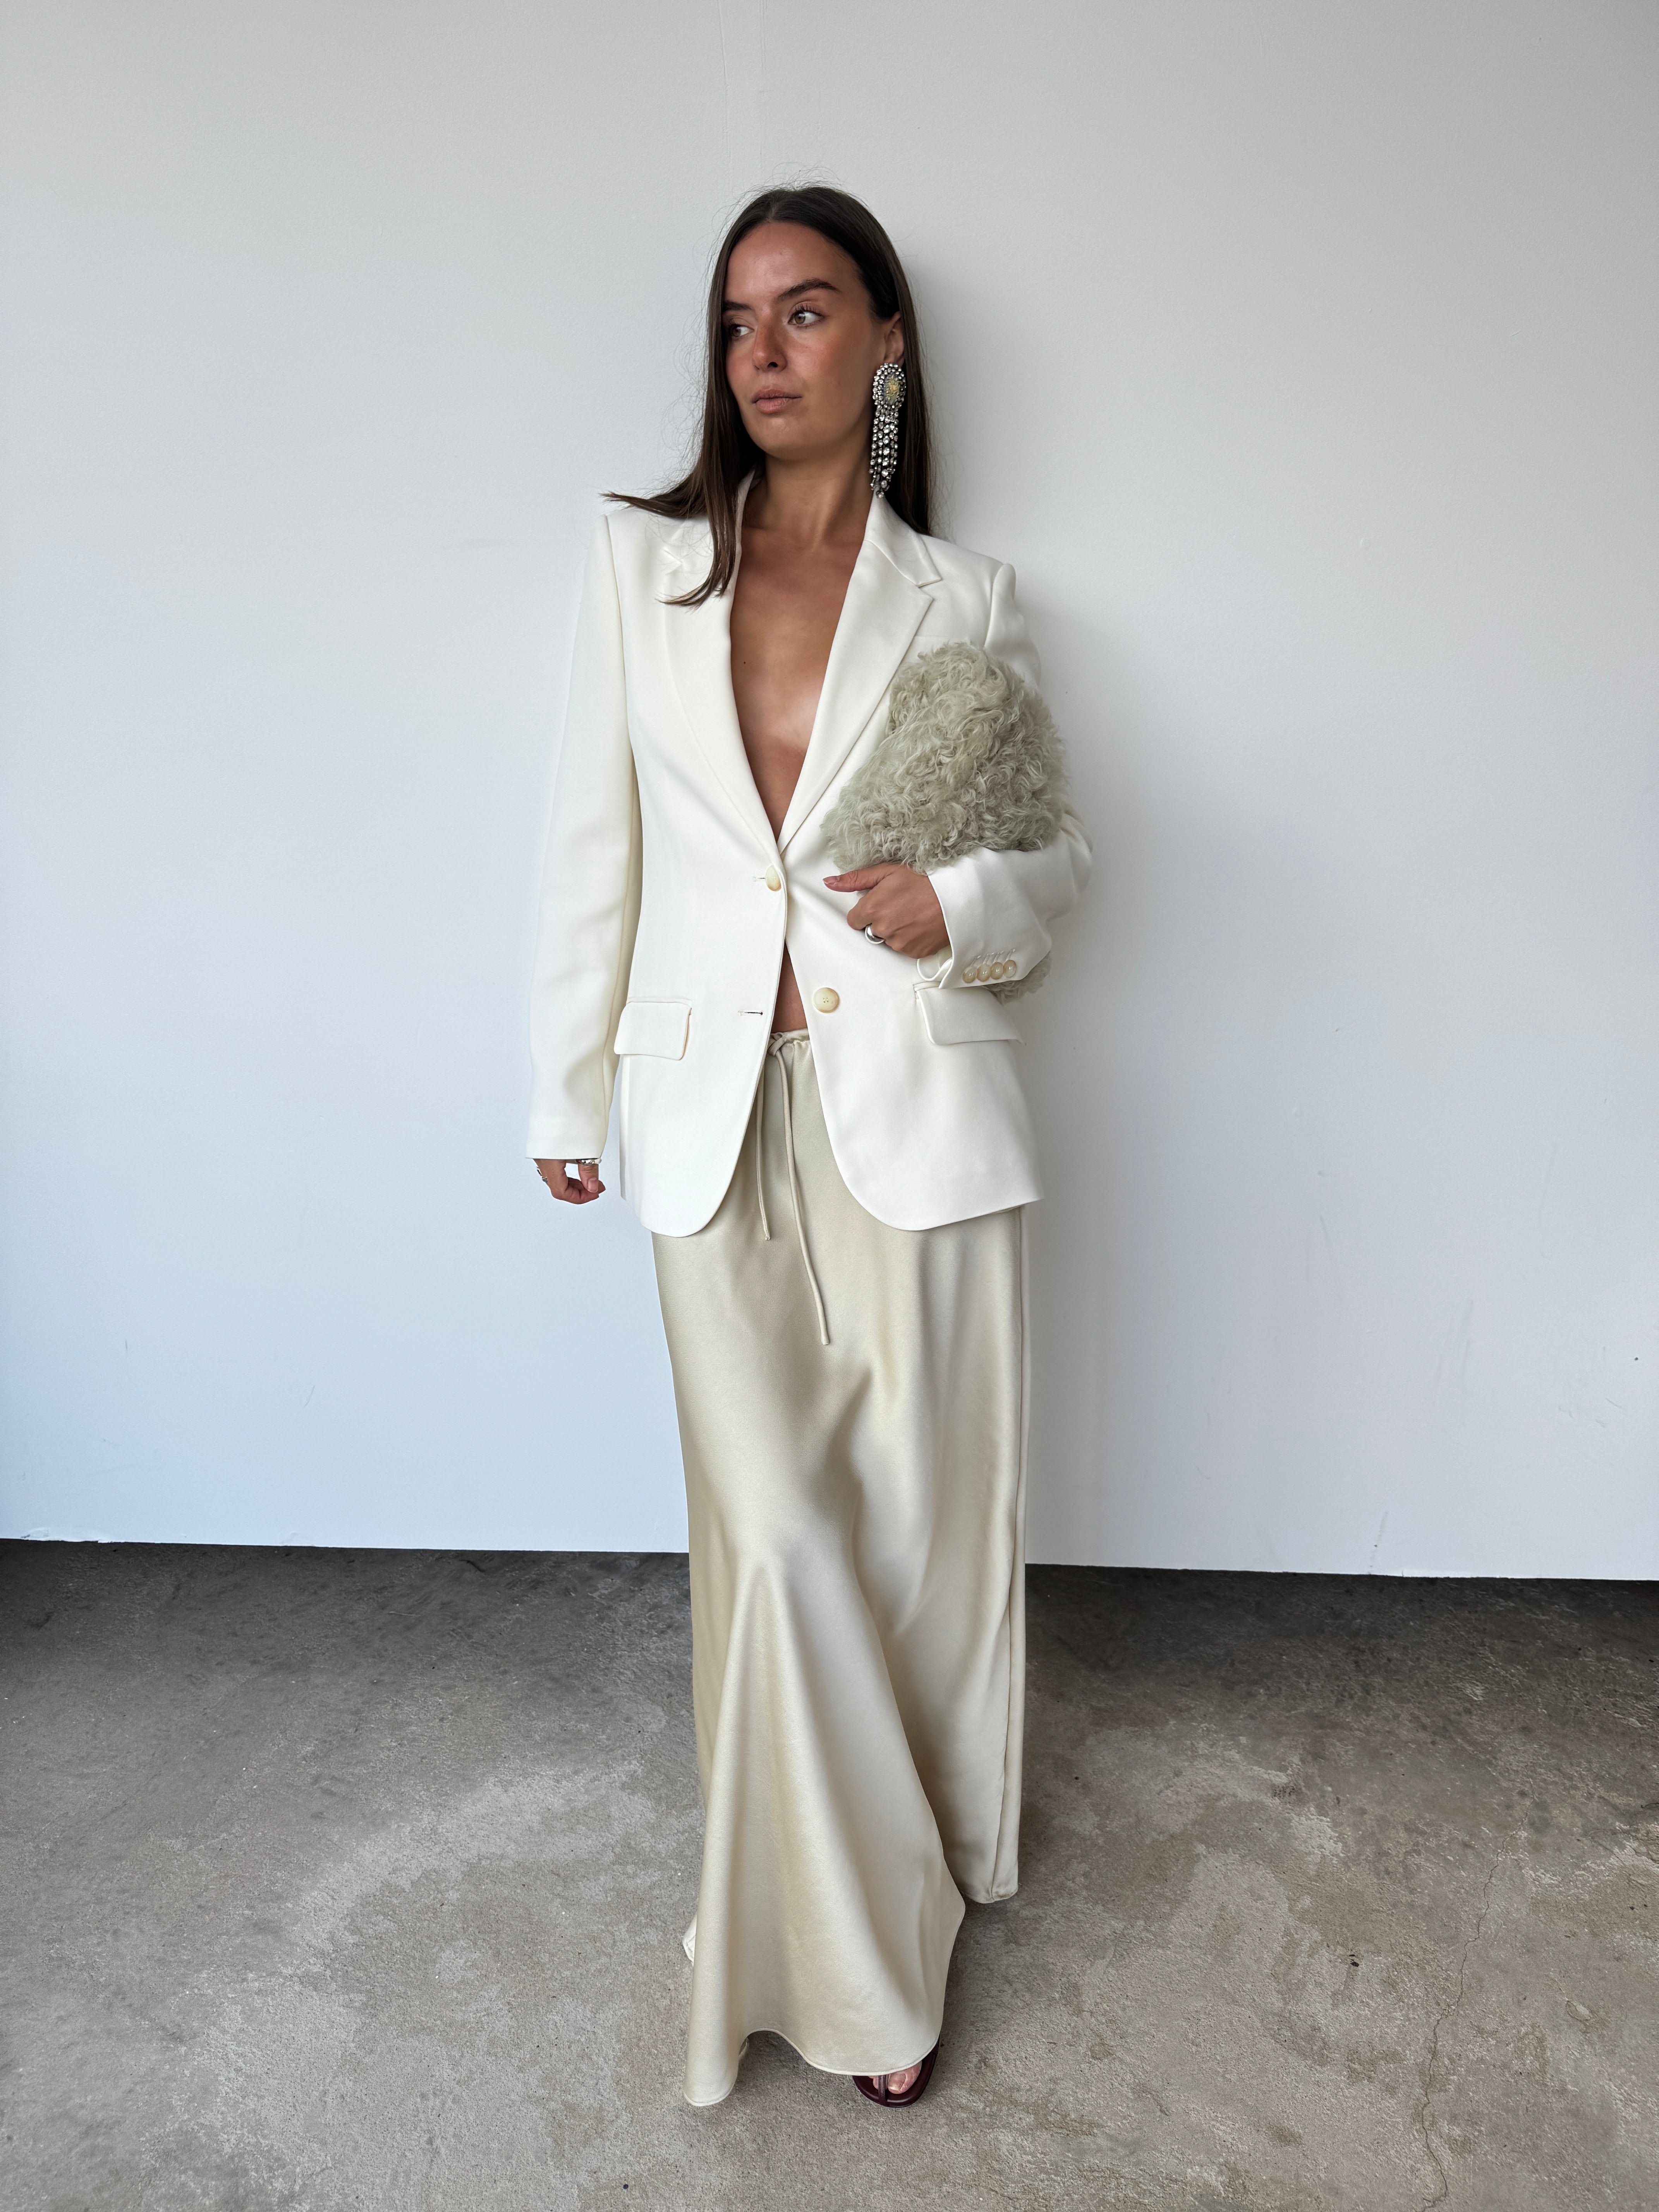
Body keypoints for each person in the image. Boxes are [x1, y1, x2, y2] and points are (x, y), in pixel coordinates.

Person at [527, 185, 1090, 2109]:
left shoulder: (966, 599)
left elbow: (1060, 863)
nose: (762, 353)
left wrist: (963, 899)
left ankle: (898, 1884)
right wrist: (562, 1091)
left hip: (917, 1112)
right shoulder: (643, 568)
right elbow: (589, 842)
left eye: (806, 311)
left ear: (887, 341)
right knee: (770, 1538)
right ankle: (855, 1973)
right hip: (705, 1109)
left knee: (917, 1545)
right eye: (737, 321)